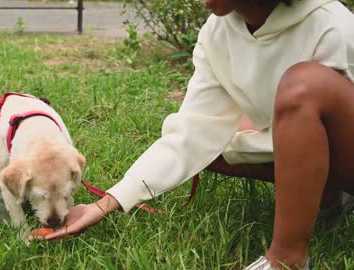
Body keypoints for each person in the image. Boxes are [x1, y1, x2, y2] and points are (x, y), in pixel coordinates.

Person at [37, 0, 354, 268]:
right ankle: (326, 199)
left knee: (305, 85)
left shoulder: (329, 24)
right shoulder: (217, 33)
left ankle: (287, 258)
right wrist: (105, 204)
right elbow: (191, 133)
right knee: (210, 144)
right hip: (318, 149)